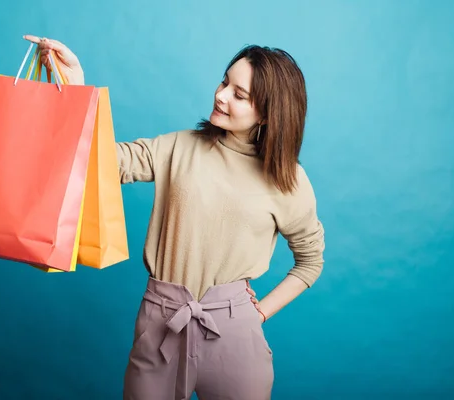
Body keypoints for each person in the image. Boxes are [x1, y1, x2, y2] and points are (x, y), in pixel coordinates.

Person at [24, 34, 325, 400]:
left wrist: (257, 314)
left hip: (234, 336)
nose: (221, 94)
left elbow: (310, 262)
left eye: (239, 94)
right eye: (224, 81)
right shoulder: (179, 147)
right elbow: (101, 160)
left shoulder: (288, 181)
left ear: (268, 112)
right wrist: (76, 85)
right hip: (160, 322)